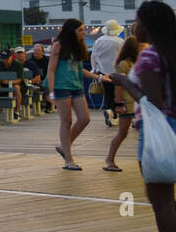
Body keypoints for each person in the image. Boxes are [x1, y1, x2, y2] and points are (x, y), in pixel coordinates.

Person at [110, 1, 176, 232]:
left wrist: (123, 80)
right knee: (172, 204)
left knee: (162, 203)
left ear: (148, 23)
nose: (133, 26)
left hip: (159, 134)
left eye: (136, 21)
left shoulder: (151, 55)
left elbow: (153, 102)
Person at [47, 19, 106, 170]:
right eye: (80, 30)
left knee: (85, 119)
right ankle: (69, 159)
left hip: (76, 86)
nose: (83, 32)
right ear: (71, 31)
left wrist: (99, 77)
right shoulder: (58, 45)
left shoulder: (78, 46)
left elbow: (80, 69)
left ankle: (64, 147)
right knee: (66, 122)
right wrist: (51, 91)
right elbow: (51, 70)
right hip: (62, 87)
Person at [104, 36, 140, 172]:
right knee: (122, 133)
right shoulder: (124, 64)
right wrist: (118, 103)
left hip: (135, 102)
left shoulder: (135, 63)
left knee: (127, 132)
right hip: (127, 102)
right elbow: (118, 85)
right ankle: (109, 159)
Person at [92, 20, 125, 128]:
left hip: (102, 72)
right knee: (118, 95)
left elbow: (94, 56)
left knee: (108, 94)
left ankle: (110, 111)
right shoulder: (120, 41)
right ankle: (113, 114)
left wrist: (94, 69)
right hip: (117, 72)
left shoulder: (98, 41)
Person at [25, 44, 52, 112]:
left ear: (42, 52)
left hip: (45, 80)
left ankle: (49, 105)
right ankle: (36, 104)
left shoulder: (47, 61)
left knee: (46, 85)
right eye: (35, 50)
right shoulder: (30, 61)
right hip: (33, 80)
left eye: (38, 50)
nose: (36, 52)